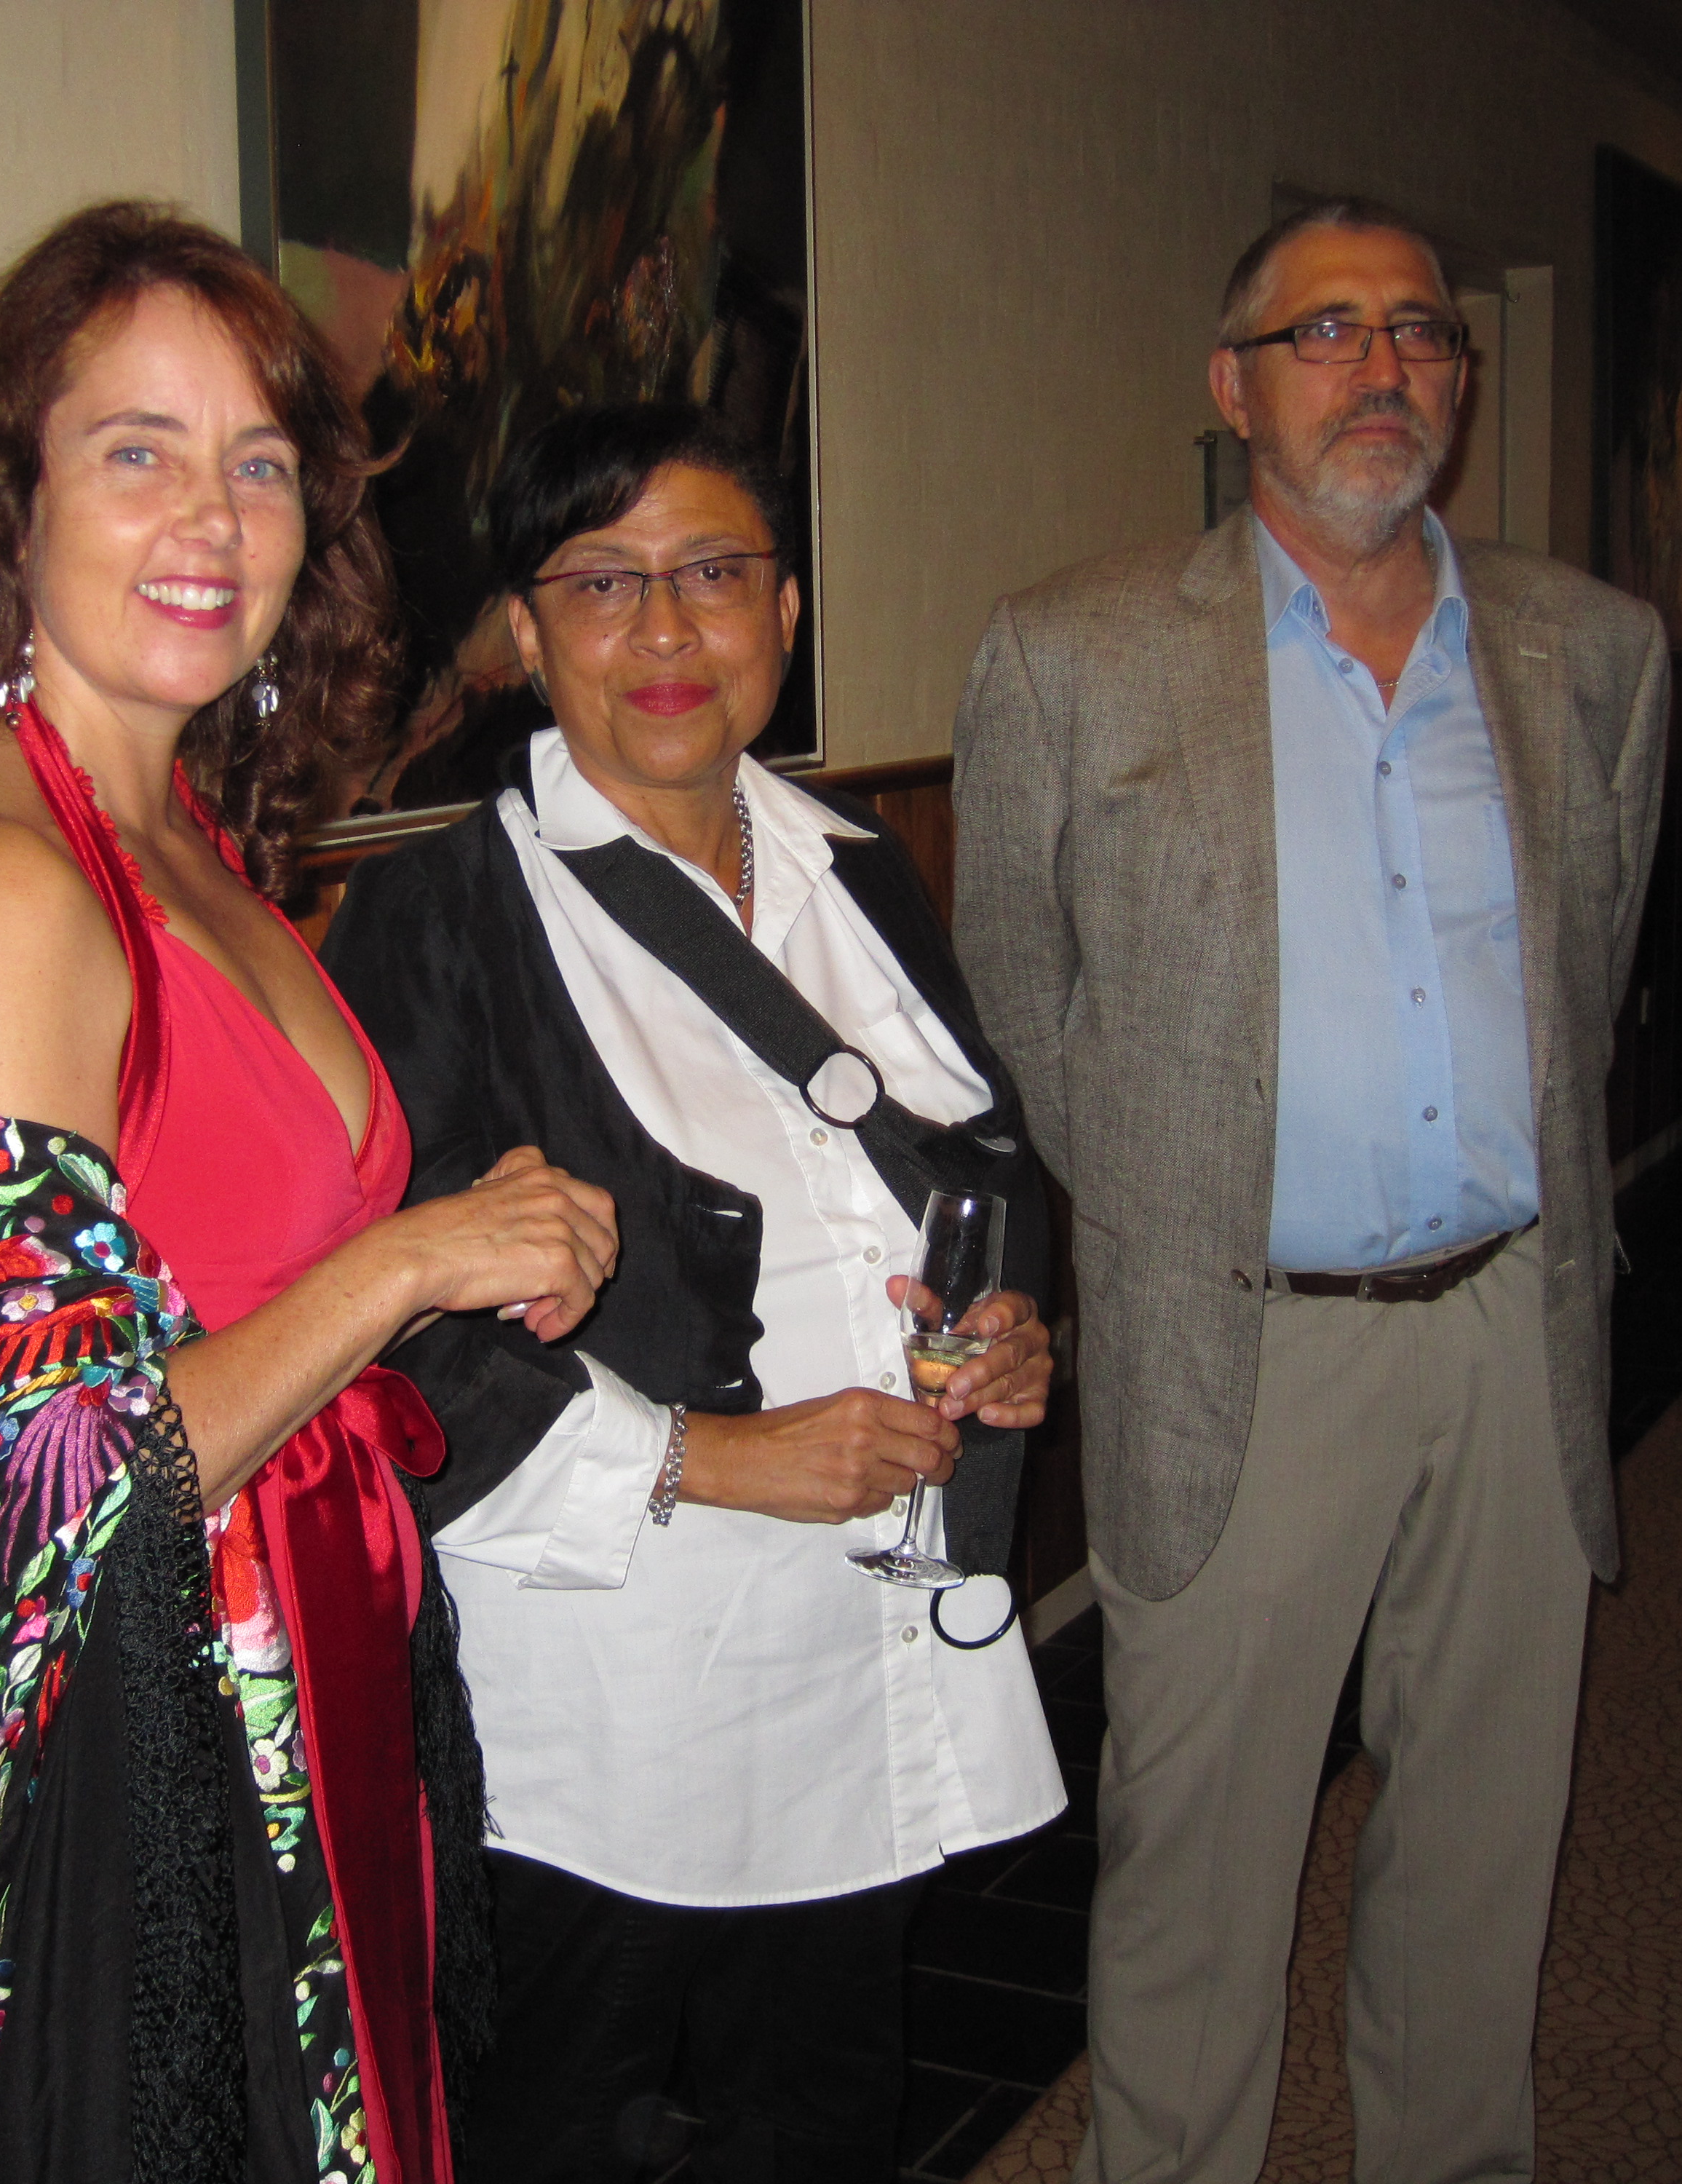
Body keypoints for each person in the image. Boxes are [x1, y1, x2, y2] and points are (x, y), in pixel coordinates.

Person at [0, 200, 618, 2184]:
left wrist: (449, 1242)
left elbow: (246, 1250)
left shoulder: (193, 838)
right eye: (136, 451)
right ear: (8, 505)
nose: (213, 518)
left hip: (311, 1658)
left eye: (259, 464)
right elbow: (39, 1486)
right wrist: (412, 1263)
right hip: (149, 1762)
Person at [952, 199, 1670, 2184]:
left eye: (1419, 332)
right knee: (1195, 1871)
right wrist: (1178, 1213)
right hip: (1242, 1356)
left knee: (1483, 1848)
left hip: (1514, 1331)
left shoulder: (1590, 652)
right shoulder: (1072, 652)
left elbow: (1585, 972)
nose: (1381, 370)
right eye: (1325, 332)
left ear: (1460, 376)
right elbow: (1018, 988)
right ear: (1233, 385)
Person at [320, 402, 1066, 2184]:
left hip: (855, 1648)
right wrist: (720, 1458)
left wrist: (1008, 1328)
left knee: (818, 2118)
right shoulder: (439, 919)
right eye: (601, 582)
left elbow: (973, 1155)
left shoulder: (854, 865)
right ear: (524, 635)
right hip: (608, 1704)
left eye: (712, 573)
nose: (663, 629)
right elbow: (393, 1347)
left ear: (782, 613)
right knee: (553, 2132)